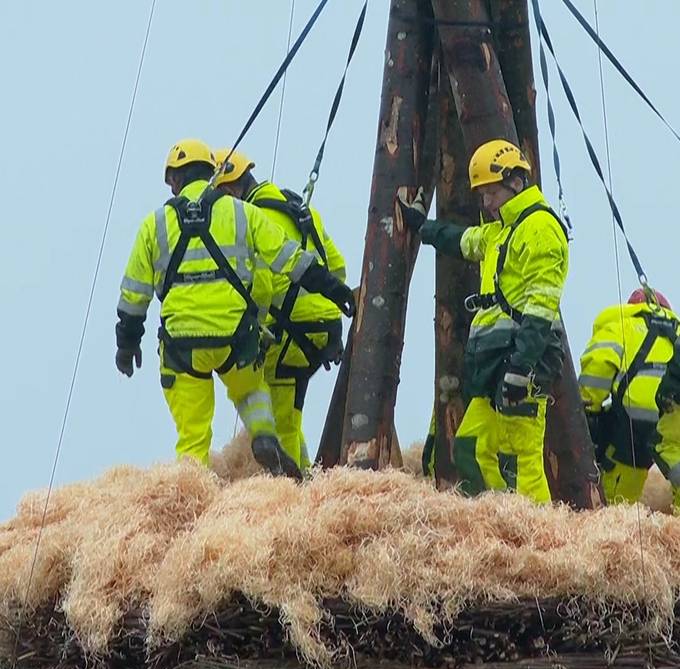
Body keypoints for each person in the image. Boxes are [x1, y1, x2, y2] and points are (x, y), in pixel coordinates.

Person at [115, 139, 354, 478]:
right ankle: (264, 435)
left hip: (182, 346)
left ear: (173, 180)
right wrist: (335, 290)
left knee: (193, 434)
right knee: (252, 390)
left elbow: (133, 294)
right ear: (212, 173)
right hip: (235, 339)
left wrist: (126, 344)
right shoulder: (244, 213)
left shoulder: (153, 225)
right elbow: (289, 260)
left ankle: (191, 484)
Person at [400, 139, 569, 503]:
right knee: (470, 446)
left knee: (520, 459)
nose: (486, 203)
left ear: (516, 183)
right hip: (494, 364)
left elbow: (540, 307)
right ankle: (499, 521)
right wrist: (422, 227)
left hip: (523, 362)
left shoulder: (539, 227)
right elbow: (462, 241)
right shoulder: (500, 232)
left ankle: (539, 540)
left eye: (491, 193)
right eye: (483, 195)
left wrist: (521, 368)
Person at [212, 149, 347, 472]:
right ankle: (307, 484)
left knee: (280, 419)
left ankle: (296, 499)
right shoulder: (299, 209)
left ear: (229, 189)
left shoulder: (254, 219)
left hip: (293, 328)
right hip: (325, 324)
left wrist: (255, 329)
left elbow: (261, 285)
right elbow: (337, 268)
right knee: (291, 413)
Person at [579, 288, 680, 508]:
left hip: (632, 425)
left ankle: (616, 517)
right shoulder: (677, 335)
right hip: (672, 417)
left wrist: (589, 410)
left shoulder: (621, 325)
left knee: (619, 500)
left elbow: (595, 374)